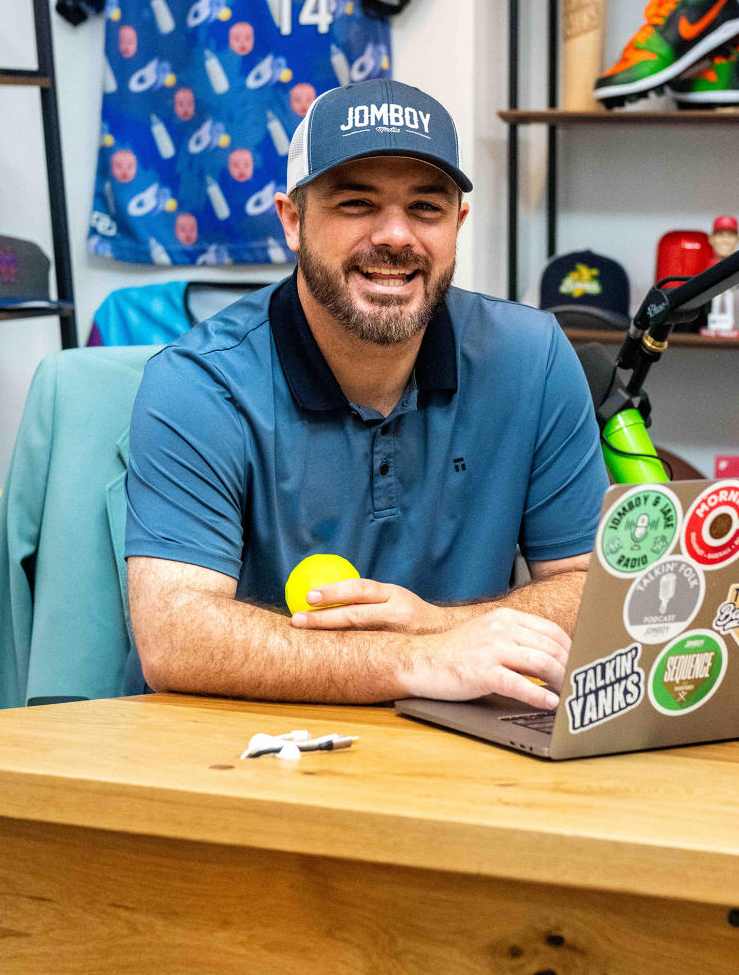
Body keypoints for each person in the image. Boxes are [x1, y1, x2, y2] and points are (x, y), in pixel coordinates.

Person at [128, 81, 607, 710]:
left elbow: (593, 587)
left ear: (459, 223)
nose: (395, 236)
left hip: (471, 753)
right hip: (252, 758)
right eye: (356, 203)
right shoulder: (197, 383)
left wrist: (434, 624)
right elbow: (174, 637)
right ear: (293, 221)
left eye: (427, 208)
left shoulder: (533, 355)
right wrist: (419, 659)